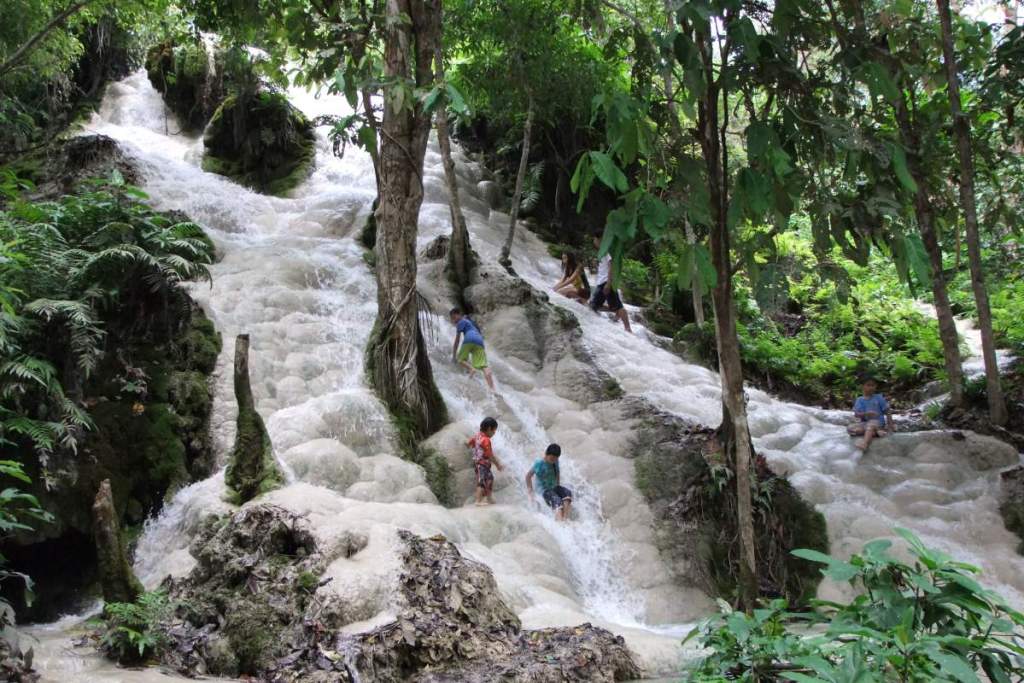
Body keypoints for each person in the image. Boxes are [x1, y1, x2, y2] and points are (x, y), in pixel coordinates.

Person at [589, 235, 632, 333]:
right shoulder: (601, 252)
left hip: (606, 283)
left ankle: (628, 328)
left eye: (595, 239)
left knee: (618, 306)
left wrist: (608, 283)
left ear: (599, 239)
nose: (594, 241)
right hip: (601, 282)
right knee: (593, 306)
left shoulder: (607, 251)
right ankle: (615, 311)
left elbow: (611, 267)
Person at [450, 307, 495, 390]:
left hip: (470, 338)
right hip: (480, 341)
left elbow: (457, 341)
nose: (454, 320)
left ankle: (471, 369)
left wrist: (453, 356)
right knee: (484, 366)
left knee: (460, 359)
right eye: (452, 319)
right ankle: (492, 389)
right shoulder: (470, 322)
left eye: (454, 317)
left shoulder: (461, 322)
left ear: (459, 314)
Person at [525, 443, 573, 521]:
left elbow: (557, 472)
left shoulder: (556, 461)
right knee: (557, 500)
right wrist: (530, 491)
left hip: (553, 487)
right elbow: (528, 476)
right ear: (546, 454)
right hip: (543, 490)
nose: (553, 461)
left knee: (567, 493)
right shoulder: (539, 464)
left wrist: (558, 486)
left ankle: (565, 519)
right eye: (551, 459)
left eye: (555, 459)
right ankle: (560, 524)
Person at [468, 417, 503, 506]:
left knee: (490, 478)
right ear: (488, 429)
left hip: (483, 464)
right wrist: (498, 465)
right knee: (481, 481)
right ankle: (478, 501)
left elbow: (470, 443)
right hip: (481, 464)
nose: (494, 433)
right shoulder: (486, 440)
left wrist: (468, 444)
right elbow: (490, 455)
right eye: (494, 431)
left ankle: (489, 498)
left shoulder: (477, 436)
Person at [847, 378, 889, 451]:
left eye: (873, 385)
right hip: (866, 423)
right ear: (862, 386)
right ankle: (875, 433)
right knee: (850, 428)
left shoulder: (879, 397)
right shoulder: (859, 400)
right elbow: (856, 414)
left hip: (878, 422)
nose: (871, 387)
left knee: (871, 424)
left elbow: (887, 412)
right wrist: (867, 413)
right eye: (868, 385)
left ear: (876, 387)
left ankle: (865, 443)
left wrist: (890, 426)